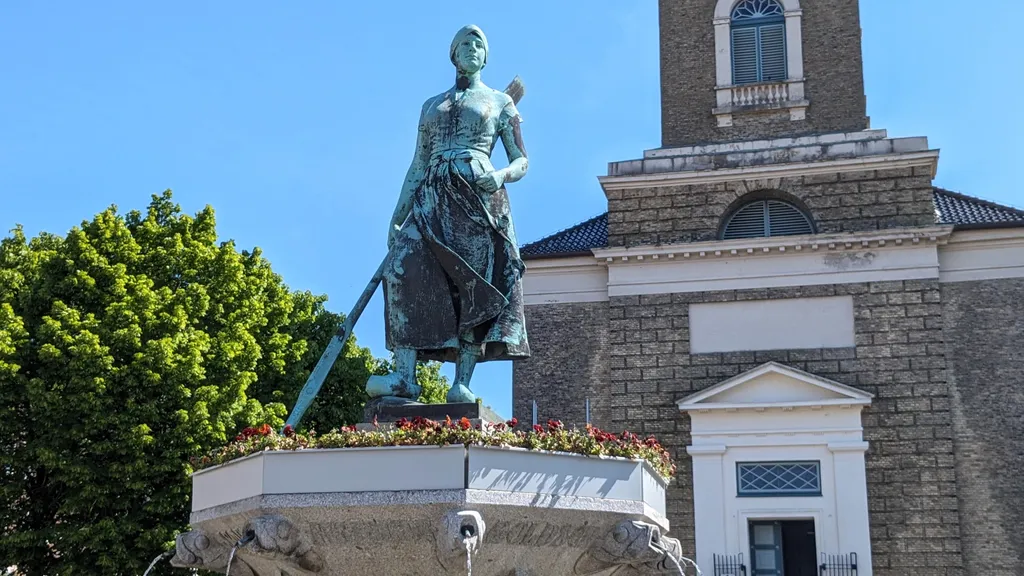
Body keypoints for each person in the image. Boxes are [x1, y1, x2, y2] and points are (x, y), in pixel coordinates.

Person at [366, 25, 530, 404]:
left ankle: (463, 381)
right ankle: (404, 376)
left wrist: (500, 175)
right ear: (453, 55)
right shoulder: (431, 106)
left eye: (478, 45)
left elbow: (522, 160)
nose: (471, 49)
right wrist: (398, 212)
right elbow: (418, 162)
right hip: (431, 196)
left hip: (477, 197)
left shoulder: (501, 102)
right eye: (464, 44)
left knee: (472, 282)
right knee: (402, 269)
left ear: (485, 57)